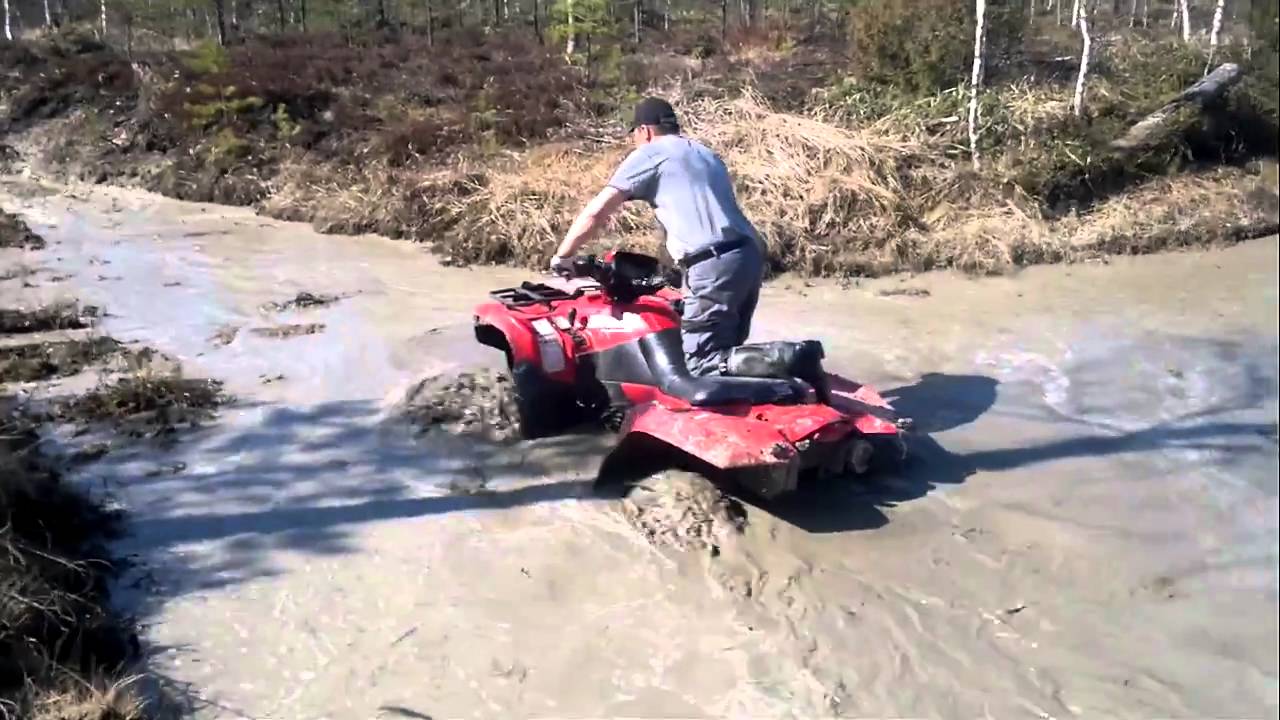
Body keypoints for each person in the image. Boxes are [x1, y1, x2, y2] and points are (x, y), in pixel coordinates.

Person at [549, 96, 765, 376]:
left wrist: (563, 256)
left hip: (713, 263)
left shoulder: (650, 153)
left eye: (635, 136)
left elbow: (596, 213)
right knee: (726, 353)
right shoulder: (705, 154)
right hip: (747, 255)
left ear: (644, 131)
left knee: (702, 364)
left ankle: (789, 358)